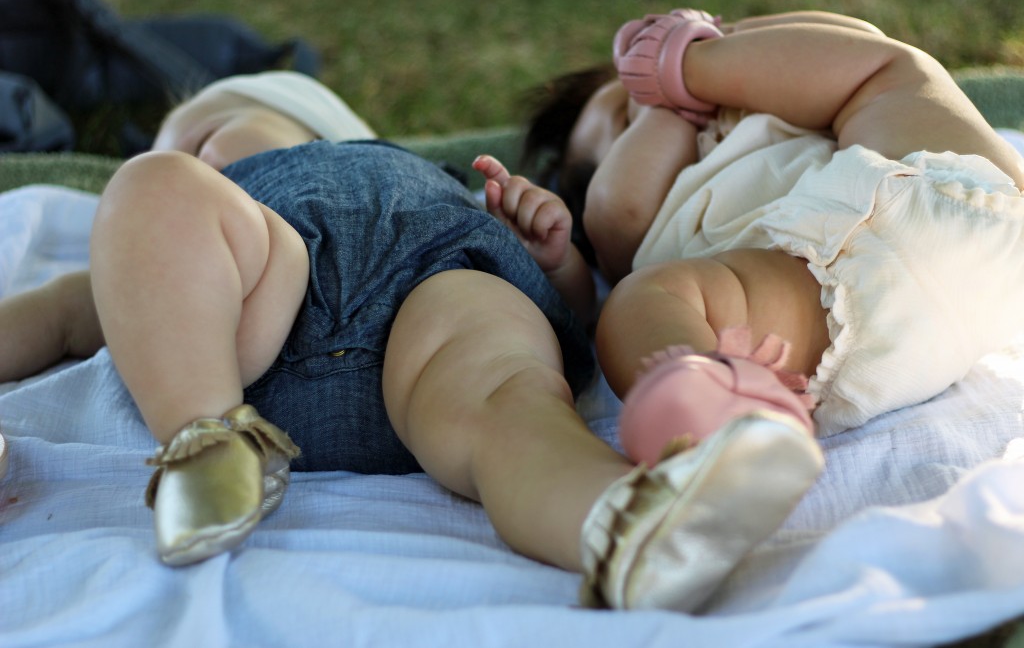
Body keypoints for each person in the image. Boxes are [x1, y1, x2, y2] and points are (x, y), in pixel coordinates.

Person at [0, 67, 821, 614]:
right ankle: (207, 441)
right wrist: (155, 220)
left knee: (506, 392)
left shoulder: (427, 182)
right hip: (261, 308)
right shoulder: (188, 234)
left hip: (443, 285)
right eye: (191, 139)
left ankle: (619, 522)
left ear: (321, 128)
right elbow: (53, 315)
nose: (204, 150)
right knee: (147, 189)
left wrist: (555, 255)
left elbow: (573, 312)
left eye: (221, 130)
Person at [472, 5, 1024, 606]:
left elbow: (848, 42)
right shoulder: (630, 212)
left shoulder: (771, 111)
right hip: (835, 288)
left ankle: (722, 411)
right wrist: (559, 265)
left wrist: (713, 47)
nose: (643, 94)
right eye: (620, 111)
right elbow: (616, 214)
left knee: (883, 65)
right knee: (641, 303)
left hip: (911, 200)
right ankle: (727, 420)